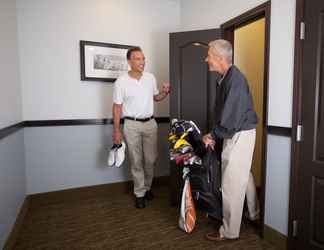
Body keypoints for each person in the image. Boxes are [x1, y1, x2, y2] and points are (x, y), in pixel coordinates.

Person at [203, 39, 260, 241]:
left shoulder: (234, 80)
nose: (206, 59)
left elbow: (231, 119)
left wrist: (212, 135)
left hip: (238, 134)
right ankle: (254, 214)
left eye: (209, 55)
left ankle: (229, 232)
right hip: (237, 132)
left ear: (219, 58)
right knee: (243, 175)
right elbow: (226, 115)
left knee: (231, 183)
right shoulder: (227, 77)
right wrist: (215, 133)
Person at [112, 47, 170, 209]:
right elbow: (117, 107)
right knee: (136, 161)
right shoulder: (121, 82)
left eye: (143, 58)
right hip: (131, 125)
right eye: (138, 59)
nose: (142, 62)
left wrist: (165, 93)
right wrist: (116, 130)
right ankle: (140, 193)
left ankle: (147, 187)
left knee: (150, 160)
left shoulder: (150, 78)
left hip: (150, 124)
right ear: (129, 61)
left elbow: (155, 98)